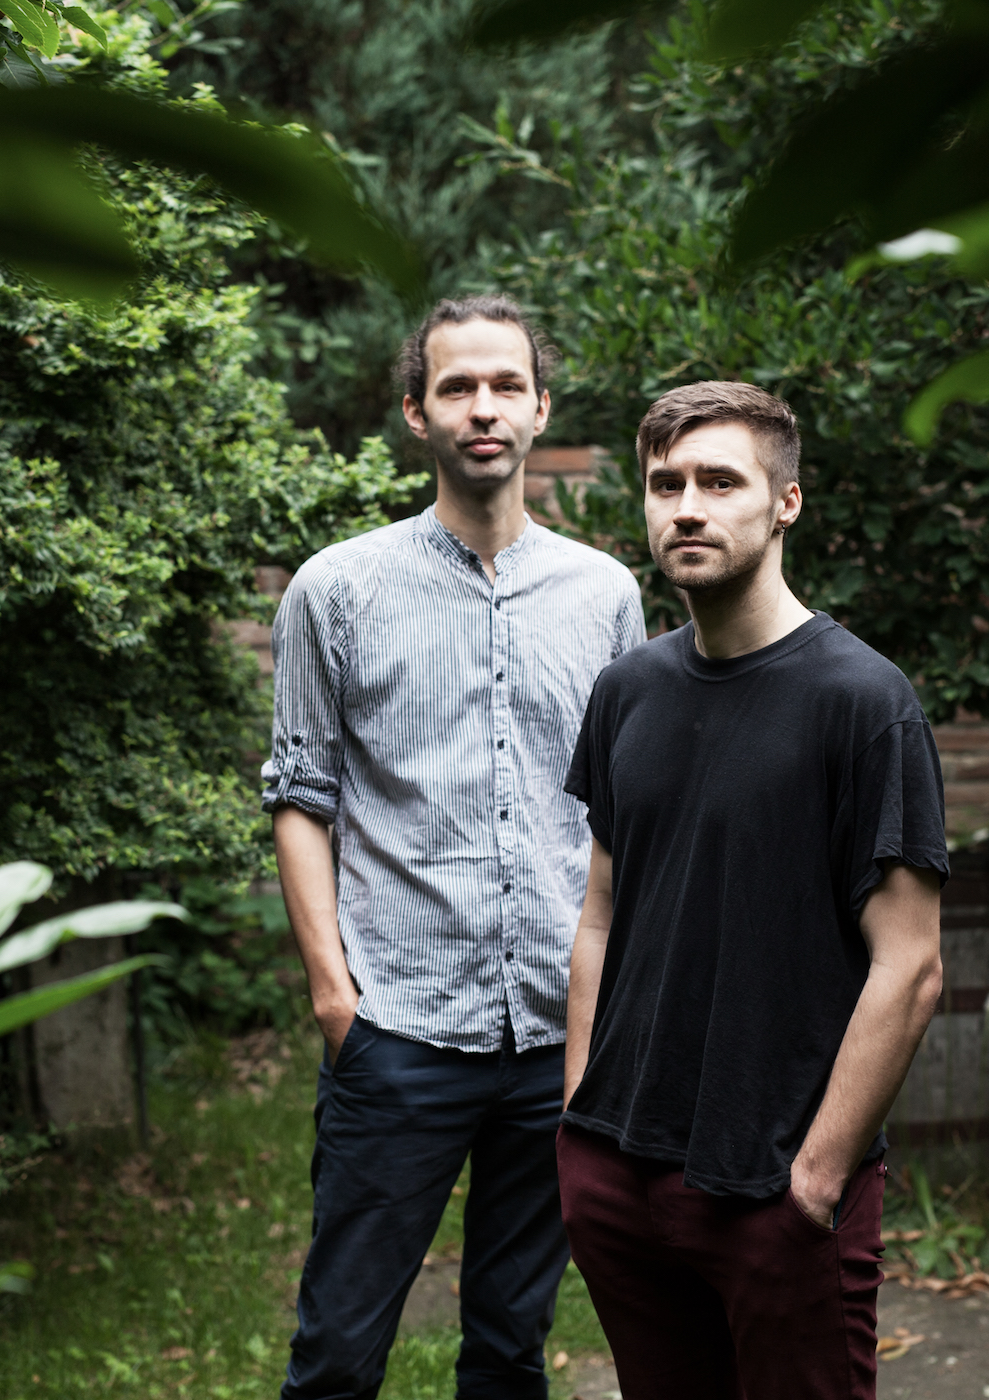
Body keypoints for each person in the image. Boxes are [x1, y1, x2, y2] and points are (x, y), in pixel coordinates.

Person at [263, 296, 646, 1400]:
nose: (484, 408)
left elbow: (621, 813)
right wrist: (336, 1000)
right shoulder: (337, 590)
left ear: (541, 407)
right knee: (338, 1354)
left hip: (555, 1037)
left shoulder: (607, 596)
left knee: (510, 1350)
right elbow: (301, 798)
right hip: (399, 1028)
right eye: (457, 387)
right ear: (415, 412)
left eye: (505, 385)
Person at [555, 381, 950, 1400]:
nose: (687, 507)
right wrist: (578, 1121)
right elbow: (600, 914)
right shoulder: (627, 691)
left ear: (786, 502)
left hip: (774, 1186)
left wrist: (816, 1177)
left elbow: (910, 966)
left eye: (721, 482)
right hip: (618, 1170)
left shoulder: (864, 702)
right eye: (666, 484)